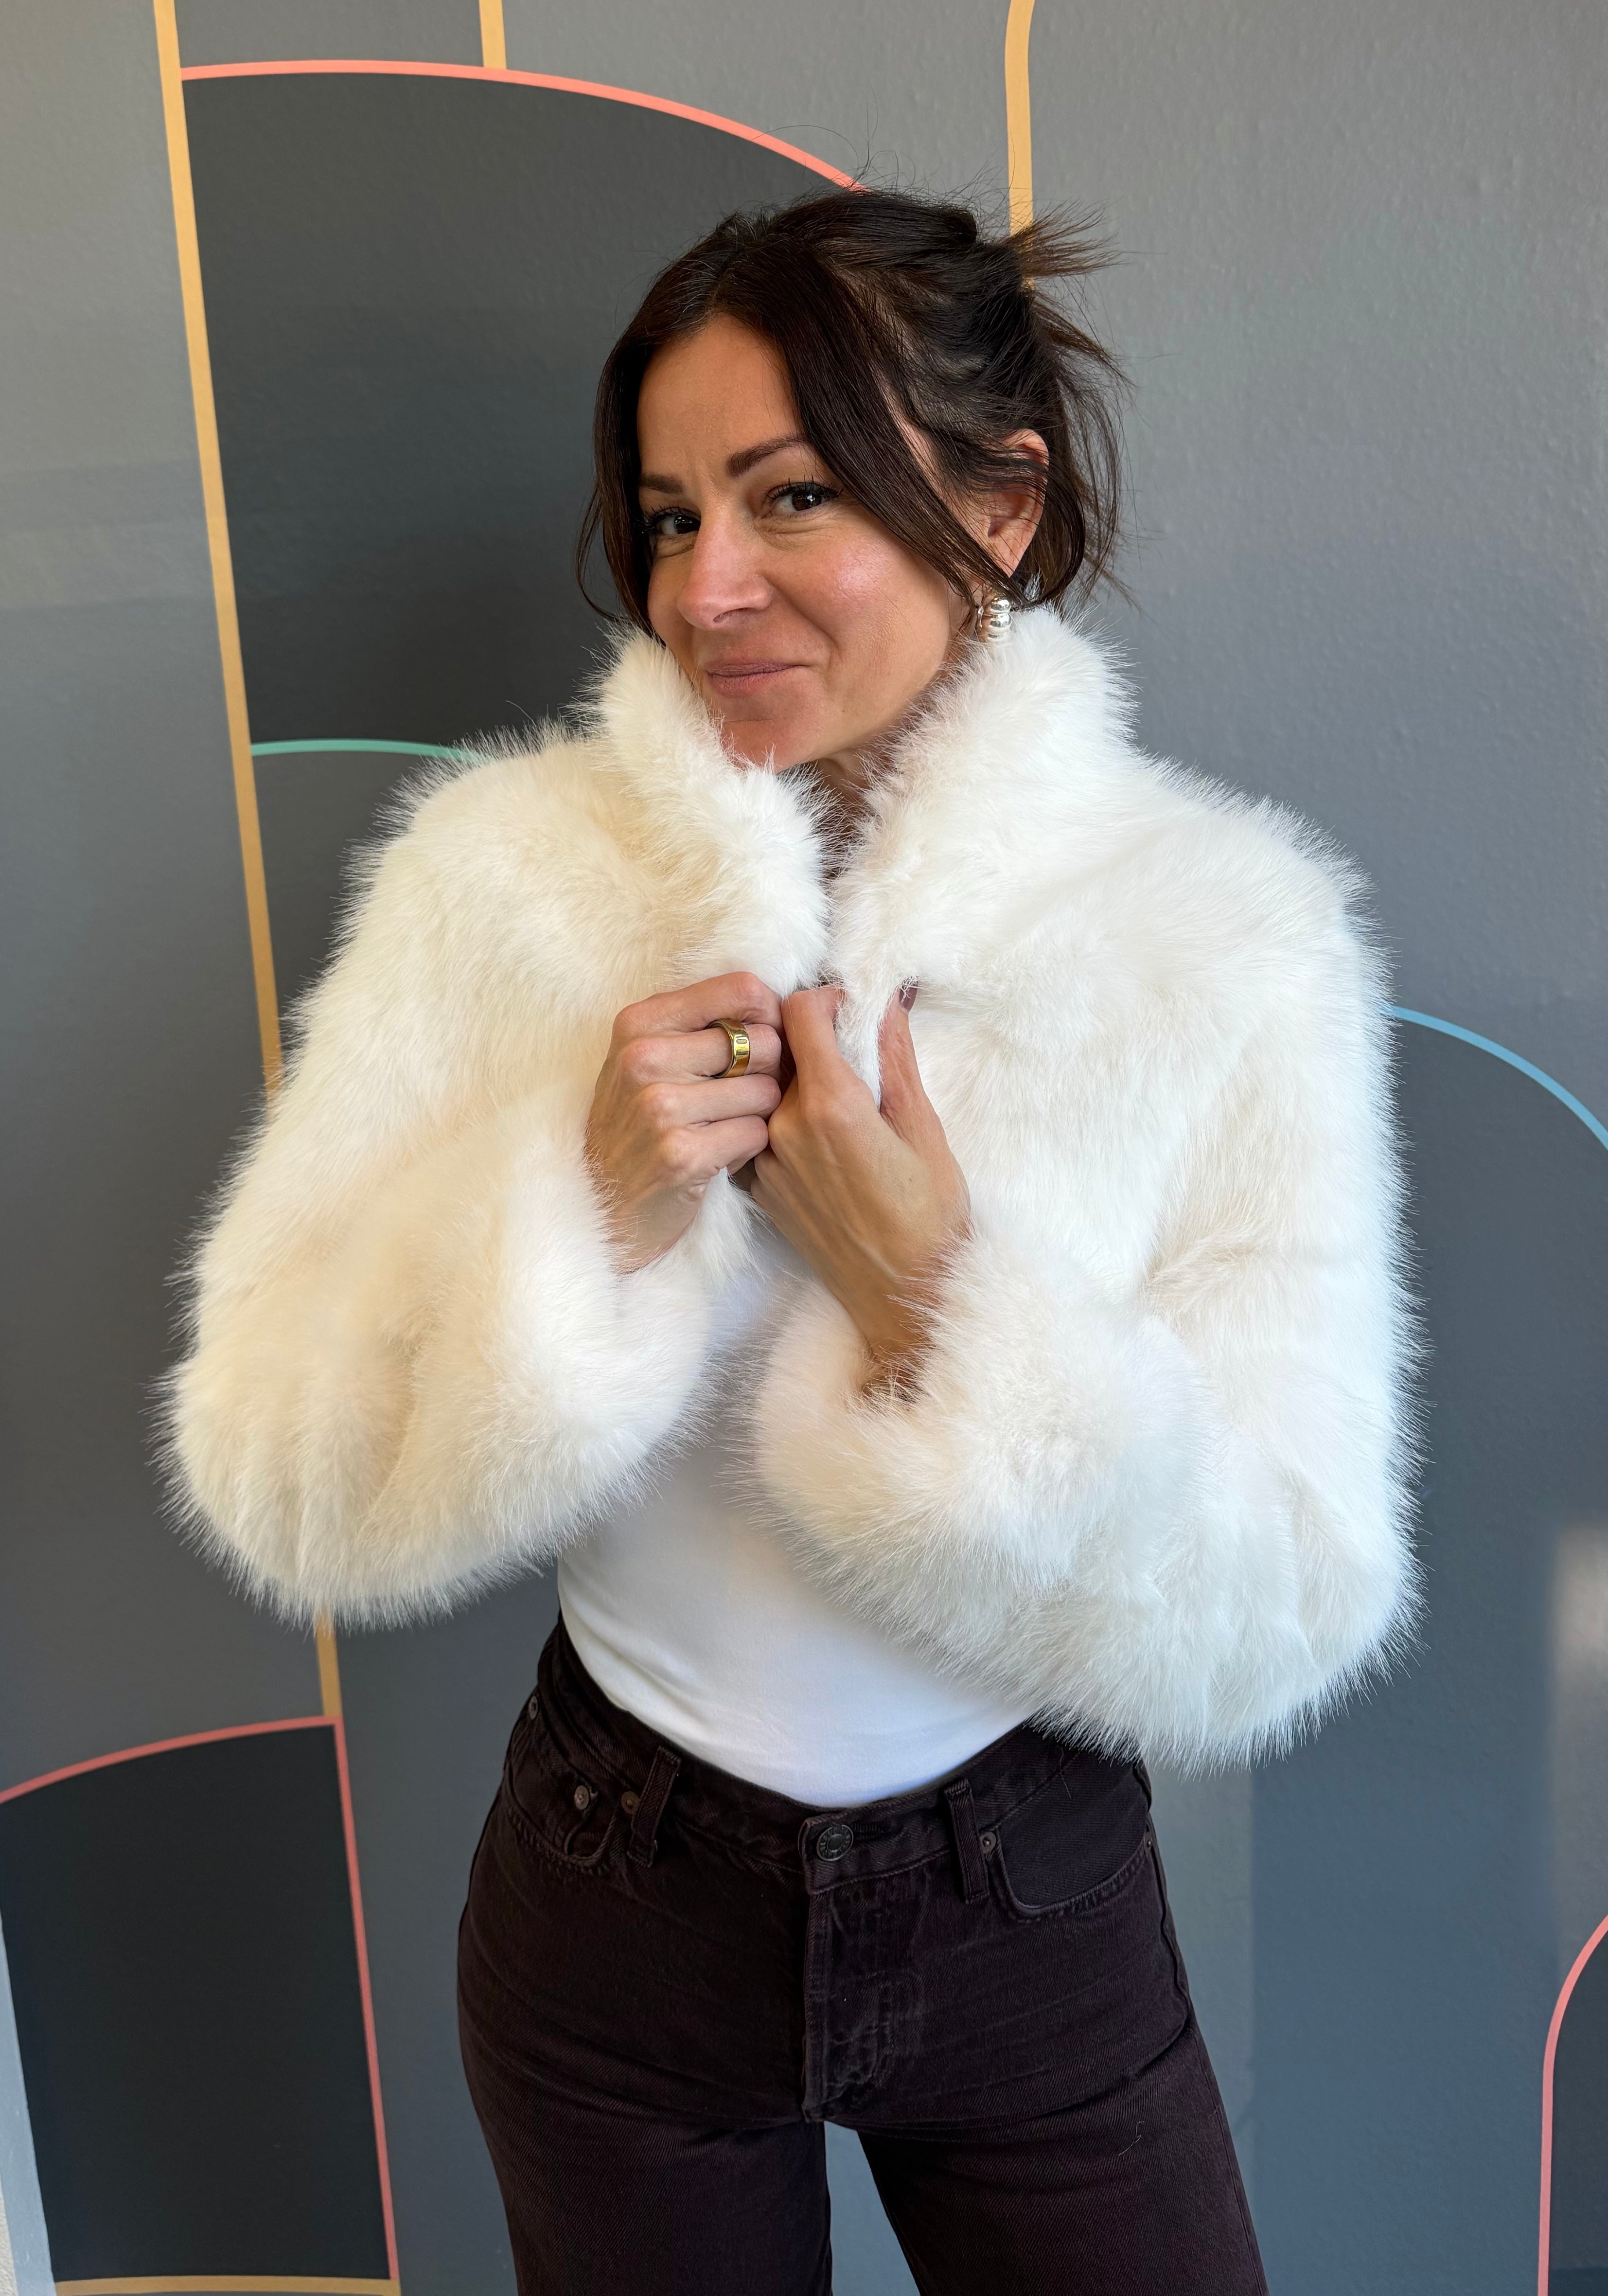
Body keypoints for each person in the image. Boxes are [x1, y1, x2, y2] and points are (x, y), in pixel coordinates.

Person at [165, 189, 1416, 2294]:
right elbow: (274, 1463)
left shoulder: (1223, 940)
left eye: (793, 494)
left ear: (1001, 505)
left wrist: (937, 1299)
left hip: (1028, 1895)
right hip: (614, 1892)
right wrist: (577, 1206)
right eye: (669, 517)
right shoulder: (499, 884)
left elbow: (1285, 1598)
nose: (706, 586)